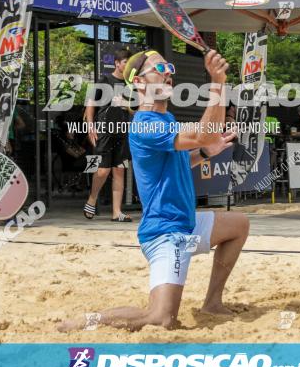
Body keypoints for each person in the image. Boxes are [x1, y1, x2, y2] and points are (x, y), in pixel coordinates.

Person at [57, 49, 249, 331]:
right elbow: (201, 133)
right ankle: (88, 320)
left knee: (239, 224)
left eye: (169, 67)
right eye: (160, 68)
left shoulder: (166, 119)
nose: (169, 72)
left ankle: (212, 303)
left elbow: (184, 159)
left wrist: (206, 152)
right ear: (139, 83)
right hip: (165, 234)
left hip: (186, 224)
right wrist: (218, 83)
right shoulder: (145, 125)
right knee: (160, 319)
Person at [83, 49, 133, 221]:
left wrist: (128, 106)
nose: (128, 65)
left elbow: (135, 108)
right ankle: (92, 198)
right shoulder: (104, 80)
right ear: (117, 63)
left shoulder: (131, 84)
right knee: (103, 171)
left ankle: (117, 212)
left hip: (122, 132)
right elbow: (90, 103)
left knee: (119, 170)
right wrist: (91, 126)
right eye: (126, 62)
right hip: (104, 131)